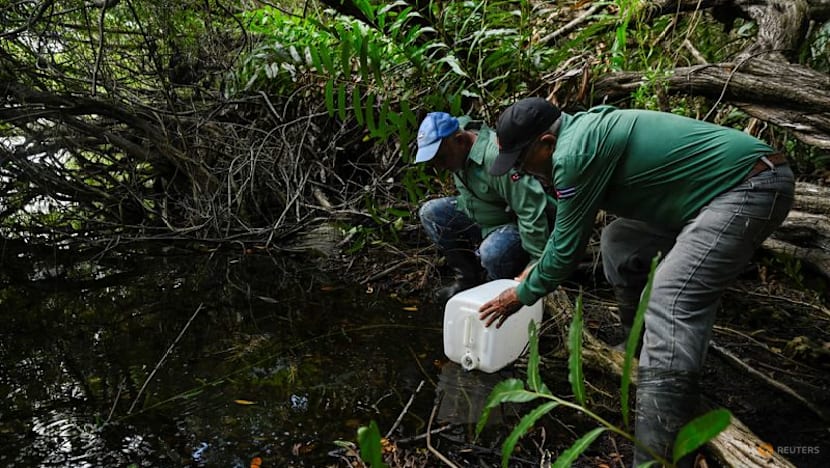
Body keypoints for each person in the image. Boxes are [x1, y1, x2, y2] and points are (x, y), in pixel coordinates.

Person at [478, 97, 795, 466]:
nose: (520, 171)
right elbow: (567, 234)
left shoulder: (572, 155)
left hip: (750, 185)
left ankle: (656, 455)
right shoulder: (576, 138)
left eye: (520, 161)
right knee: (619, 243)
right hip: (704, 196)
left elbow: (565, 253)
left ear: (546, 144)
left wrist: (521, 294)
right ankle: (643, 357)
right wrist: (537, 268)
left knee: (670, 298)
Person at [414, 111, 555, 303]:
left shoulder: (493, 158)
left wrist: (537, 264)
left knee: (493, 252)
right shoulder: (458, 145)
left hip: (513, 225)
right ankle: (468, 280)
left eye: (442, 158)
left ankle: (494, 289)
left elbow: (531, 208)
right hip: (481, 214)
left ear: (460, 141)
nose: (440, 166)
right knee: (431, 213)